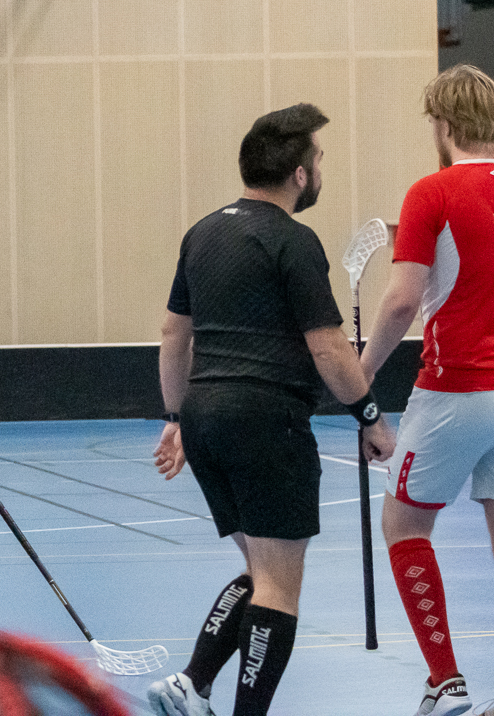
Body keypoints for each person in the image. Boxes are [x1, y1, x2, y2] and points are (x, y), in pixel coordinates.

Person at [148, 103, 396, 716]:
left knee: (262, 568)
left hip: (204, 417)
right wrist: (369, 416)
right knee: (280, 585)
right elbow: (328, 347)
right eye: (319, 160)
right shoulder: (293, 240)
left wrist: (176, 419)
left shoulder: (202, 233)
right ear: (300, 174)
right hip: (266, 421)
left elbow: (174, 336)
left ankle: (190, 685)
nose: (320, 171)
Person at [359, 64, 494, 716]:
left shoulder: (432, 192)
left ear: (444, 125)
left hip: (460, 388)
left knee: (404, 523)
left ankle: (445, 682)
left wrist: (361, 374)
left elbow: (401, 301)